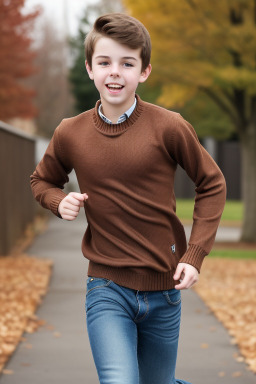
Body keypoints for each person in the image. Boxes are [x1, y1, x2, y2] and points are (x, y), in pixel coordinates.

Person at [30, 12, 226, 384]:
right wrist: (58, 201)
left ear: (144, 71)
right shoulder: (70, 133)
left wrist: (195, 254)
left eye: (127, 63)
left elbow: (212, 183)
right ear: (90, 68)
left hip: (164, 289)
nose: (115, 72)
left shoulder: (169, 126)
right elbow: (41, 180)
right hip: (106, 288)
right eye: (104, 62)